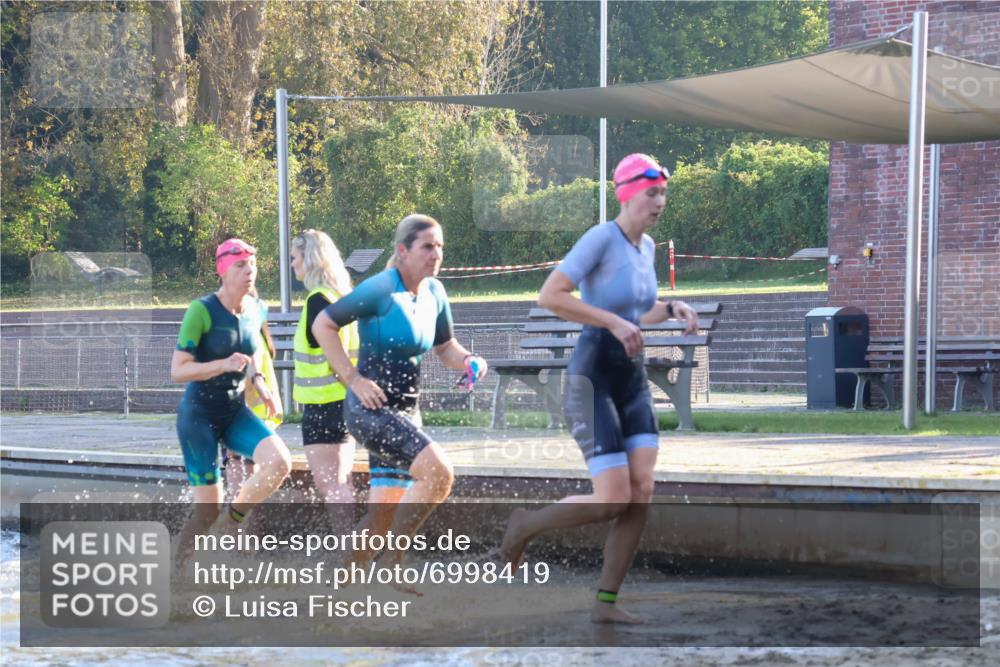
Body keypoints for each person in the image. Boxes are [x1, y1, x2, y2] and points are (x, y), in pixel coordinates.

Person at [499, 154, 699, 624]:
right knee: (612, 498)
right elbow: (551, 295)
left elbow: (637, 308)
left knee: (641, 490)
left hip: (631, 378)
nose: (660, 202)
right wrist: (610, 321)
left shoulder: (646, 248)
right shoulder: (600, 239)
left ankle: (605, 603)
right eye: (652, 193)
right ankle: (523, 526)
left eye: (663, 193)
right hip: (592, 376)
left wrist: (670, 309)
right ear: (626, 193)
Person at [311, 214, 486, 574]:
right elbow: (322, 324)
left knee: (380, 521)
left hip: (407, 413)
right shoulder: (380, 288)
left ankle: (331, 592)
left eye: (439, 246)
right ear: (403, 251)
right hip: (370, 410)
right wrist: (353, 379)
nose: (436, 254)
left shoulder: (435, 291)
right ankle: (395, 560)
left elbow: (445, 347)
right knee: (440, 475)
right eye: (427, 247)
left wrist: (469, 360)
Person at [171, 238, 293, 551]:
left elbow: (248, 351)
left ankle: (234, 519)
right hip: (199, 417)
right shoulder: (201, 311)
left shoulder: (256, 309)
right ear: (222, 270)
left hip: (234, 411)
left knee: (280, 463)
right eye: (240, 265)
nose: (248, 271)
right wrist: (221, 365)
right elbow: (178, 370)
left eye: (251, 264)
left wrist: (261, 381)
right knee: (206, 511)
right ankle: (176, 572)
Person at [290, 229, 358, 516]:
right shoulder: (341, 296)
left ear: (311, 259)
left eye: (294, 258)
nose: (292, 265)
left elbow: (330, 352)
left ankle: (348, 554)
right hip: (343, 403)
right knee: (343, 483)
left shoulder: (318, 300)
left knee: (332, 486)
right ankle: (355, 550)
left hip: (324, 405)